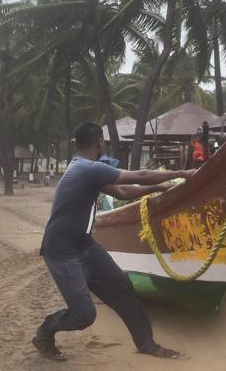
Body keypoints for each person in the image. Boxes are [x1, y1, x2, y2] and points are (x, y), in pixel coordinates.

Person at [35, 122, 194, 361]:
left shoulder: (85, 169)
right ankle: (45, 333)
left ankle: (147, 344)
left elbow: (123, 192)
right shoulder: (86, 169)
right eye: (104, 141)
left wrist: (160, 187)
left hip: (84, 245)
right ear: (99, 141)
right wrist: (183, 173)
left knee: (122, 287)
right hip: (62, 252)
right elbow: (139, 175)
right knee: (84, 315)